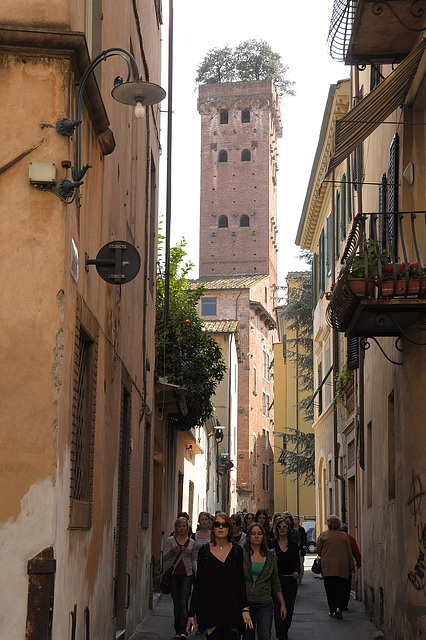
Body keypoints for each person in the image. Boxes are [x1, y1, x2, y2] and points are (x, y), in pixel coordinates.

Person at [186, 512, 252, 640]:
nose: (221, 527)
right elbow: (199, 584)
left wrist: (245, 608)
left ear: (229, 528)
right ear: (213, 528)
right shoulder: (205, 551)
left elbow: (240, 581)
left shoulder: (237, 551)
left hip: (232, 609)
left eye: (224, 524)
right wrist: (191, 615)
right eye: (217, 525)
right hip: (211, 609)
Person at [243, 523, 286, 640]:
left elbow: (275, 581)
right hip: (246, 603)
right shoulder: (242, 554)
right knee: (247, 636)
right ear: (248, 536)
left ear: (263, 536)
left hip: (264, 602)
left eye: (259, 534)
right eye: (253, 534)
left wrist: (282, 604)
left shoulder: (271, 556)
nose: (256, 536)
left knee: (265, 636)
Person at [316, 515, 355, 620]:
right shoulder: (343, 536)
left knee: (330, 589)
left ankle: (332, 610)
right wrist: (351, 566)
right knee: (340, 588)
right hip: (342, 566)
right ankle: (339, 607)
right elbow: (348, 552)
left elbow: (318, 550)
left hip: (327, 567)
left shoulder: (323, 535)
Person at [164, 517, 197, 639]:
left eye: (184, 526)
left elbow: (193, 559)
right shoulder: (170, 540)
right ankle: (177, 630)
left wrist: (196, 574)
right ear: (176, 527)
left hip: (187, 575)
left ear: (186, 528)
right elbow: (164, 558)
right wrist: (171, 551)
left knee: (183, 603)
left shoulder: (191, 542)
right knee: (176, 604)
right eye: (179, 526)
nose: (182, 528)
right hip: (173, 576)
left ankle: (183, 631)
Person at [272, 518, 300, 640]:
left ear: (288, 529)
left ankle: (285, 628)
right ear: (276, 529)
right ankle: (281, 635)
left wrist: (296, 572)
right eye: (280, 527)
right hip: (276, 581)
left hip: (290, 581)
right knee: (278, 608)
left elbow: (297, 563)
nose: (282, 529)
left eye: (284, 527)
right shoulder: (272, 544)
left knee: (289, 608)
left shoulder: (293, 545)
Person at [339, 523, 361, 610]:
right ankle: (344, 605)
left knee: (336, 586)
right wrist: (358, 563)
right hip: (346, 566)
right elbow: (356, 551)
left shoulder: (334, 538)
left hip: (334, 567)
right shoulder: (350, 538)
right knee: (346, 586)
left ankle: (336, 605)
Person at [293, 516, 307, 584]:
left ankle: (299, 579)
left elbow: (304, 538)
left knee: (301, 564)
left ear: (298, 521)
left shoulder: (301, 529)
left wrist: (304, 545)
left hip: (300, 549)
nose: (294, 520)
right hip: (293, 549)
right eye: (293, 519)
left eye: (295, 519)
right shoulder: (291, 529)